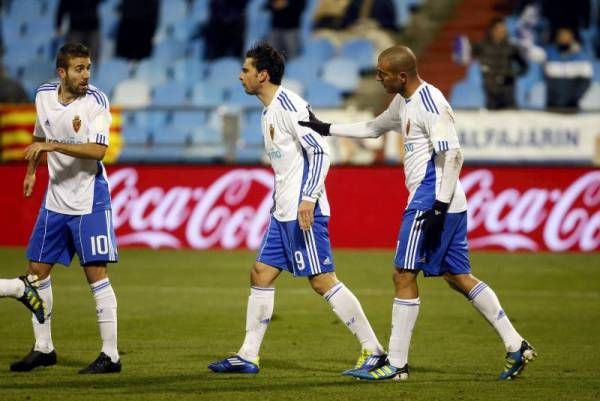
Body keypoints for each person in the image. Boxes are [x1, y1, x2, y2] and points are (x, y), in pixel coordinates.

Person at [298, 45, 537, 381]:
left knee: (403, 274)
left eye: (382, 73)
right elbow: (374, 128)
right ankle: (516, 344)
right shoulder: (404, 101)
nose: (378, 78)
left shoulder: (430, 103)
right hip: (449, 201)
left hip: (431, 199)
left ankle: (396, 365)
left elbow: (453, 156)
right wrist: (327, 128)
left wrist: (437, 204)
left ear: (402, 76)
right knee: (457, 276)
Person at [207, 42, 386, 375]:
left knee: (322, 280)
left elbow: (320, 152)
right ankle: (248, 355)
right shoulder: (268, 111)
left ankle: (374, 350)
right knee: (260, 273)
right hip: (283, 212)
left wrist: (308, 198)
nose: (240, 76)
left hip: (304, 211)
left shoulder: (290, 106)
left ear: (262, 75)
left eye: (245, 70)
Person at [0, 43, 121, 374]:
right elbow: (40, 135)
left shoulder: (95, 101)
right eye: (79, 69)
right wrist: (30, 173)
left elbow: (98, 151)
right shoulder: (42, 96)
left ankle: (110, 355)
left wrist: (52, 145)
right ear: (62, 73)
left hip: (89, 199)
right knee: (37, 272)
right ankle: (44, 348)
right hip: (55, 199)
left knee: (96, 274)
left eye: (89, 68)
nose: (86, 75)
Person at [472, 18, 528, 110]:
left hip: (508, 91)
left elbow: (524, 67)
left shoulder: (511, 47)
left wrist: (511, 74)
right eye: (499, 30)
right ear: (492, 30)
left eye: (503, 30)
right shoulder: (482, 47)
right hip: (491, 92)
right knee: (492, 121)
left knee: (511, 119)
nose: (502, 32)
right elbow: (464, 54)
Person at [544, 27, 593, 111]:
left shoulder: (581, 57)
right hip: (552, 106)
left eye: (566, 36)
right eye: (561, 36)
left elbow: (586, 82)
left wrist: (574, 98)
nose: (563, 39)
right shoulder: (549, 53)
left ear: (571, 38)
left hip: (571, 108)